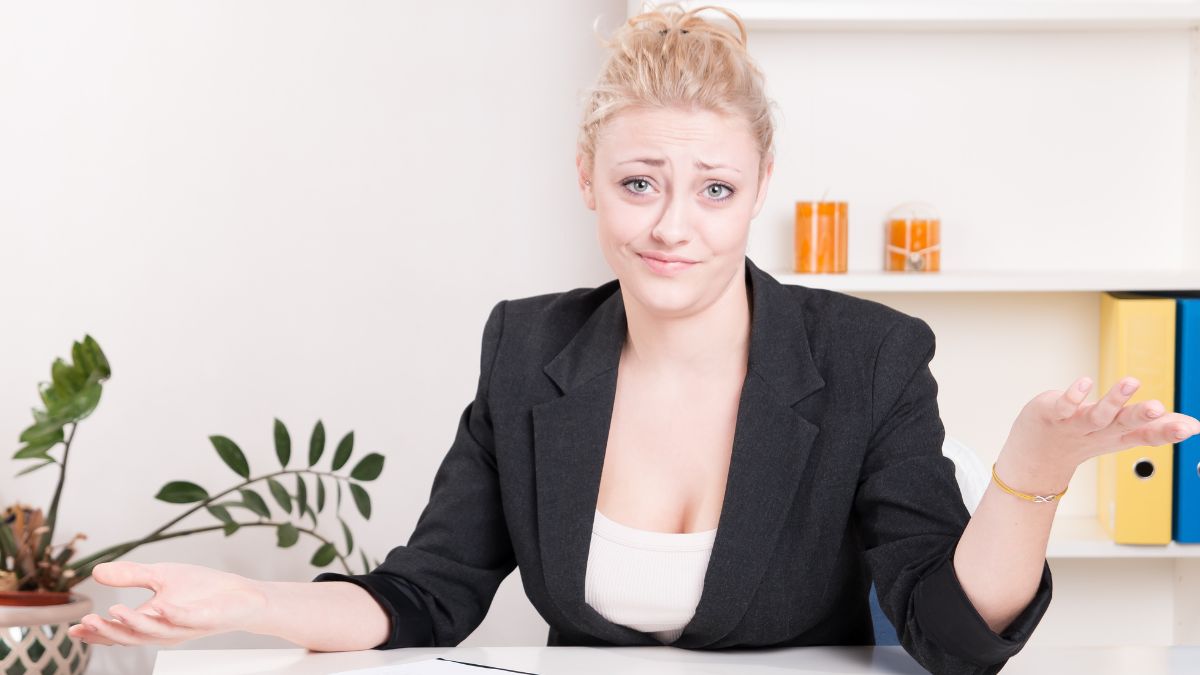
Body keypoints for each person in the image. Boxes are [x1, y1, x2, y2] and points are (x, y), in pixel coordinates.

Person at [67, 3, 1200, 674]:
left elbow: (950, 639)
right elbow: (428, 596)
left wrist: (1032, 480)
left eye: (713, 188)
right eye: (641, 182)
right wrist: (251, 607)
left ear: (759, 189)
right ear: (588, 183)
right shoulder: (525, 349)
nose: (672, 226)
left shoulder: (869, 356)